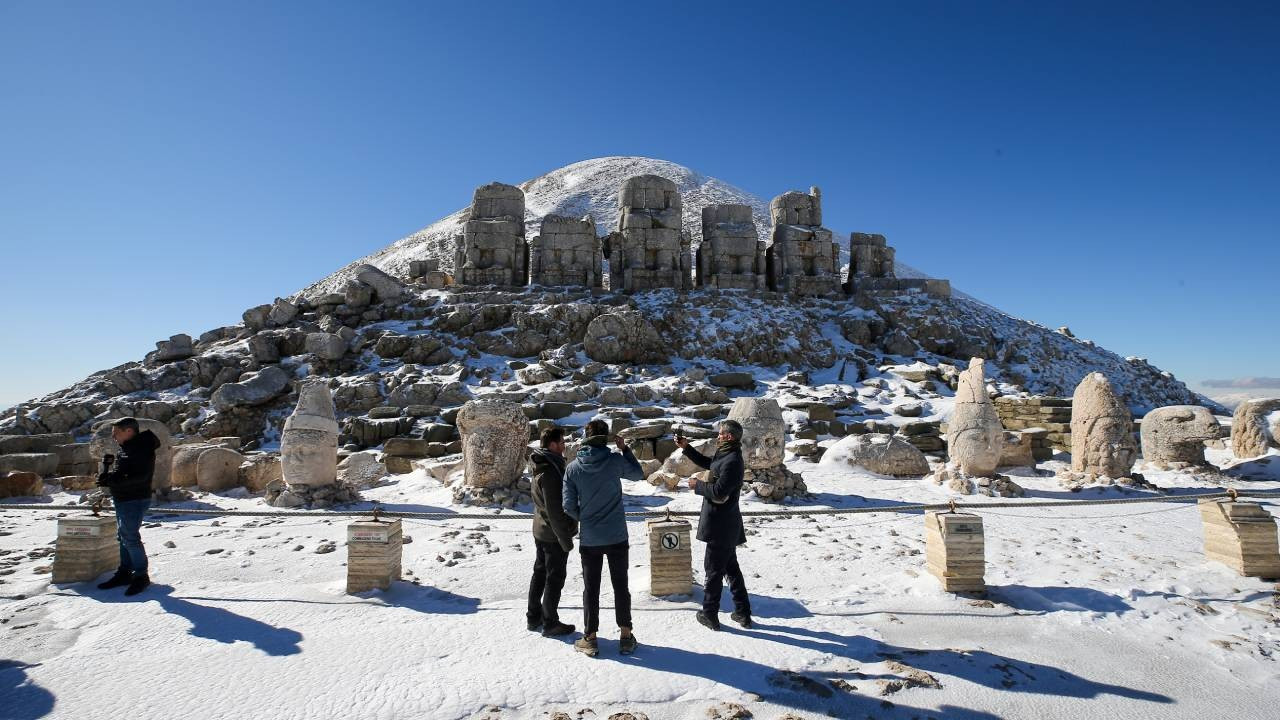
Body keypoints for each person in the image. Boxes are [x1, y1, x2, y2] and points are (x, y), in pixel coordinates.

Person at [562, 419, 644, 657]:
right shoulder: (614, 462)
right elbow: (638, 474)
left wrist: (585, 517)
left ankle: (590, 637)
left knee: (591, 588)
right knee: (621, 585)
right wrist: (625, 450)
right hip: (617, 534)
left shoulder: (573, 468)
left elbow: (568, 505)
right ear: (605, 438)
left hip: (590, 538)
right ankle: (626, 636)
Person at [676, 419, 752, 630]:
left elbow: (719, 491)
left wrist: (697, 485)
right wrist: (686, 448)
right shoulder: (726, 454)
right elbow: (711, 464)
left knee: (713, 570)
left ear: (728, 436)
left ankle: (709, 613)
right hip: (726, 524)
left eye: (720, 434)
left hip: (721, 524)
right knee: (731, 569)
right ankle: (742, 612)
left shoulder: (733, 460)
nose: (717, 436)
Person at [95, 417, 161, 596]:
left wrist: (113, 480)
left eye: (116, 433)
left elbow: (140, 476)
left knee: (130, 537)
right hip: (123, 497)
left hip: (134, 498)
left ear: (129, 431)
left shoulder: (142, 448)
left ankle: (141, 576)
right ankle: (125, 572)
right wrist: (108, 478)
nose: (114, 437)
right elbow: (124, 471)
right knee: (122, 536)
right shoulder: (128, 448)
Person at [528, 426, 577, 637]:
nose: (565, 446)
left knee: (540, 573)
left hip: (541, 530)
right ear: (553, 444)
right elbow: (555, 511)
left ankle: (533, 617)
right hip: (552, 534)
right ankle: (550, 622)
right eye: (562, 443)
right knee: (554, 578)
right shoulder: (550, 471)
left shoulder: (543, 464)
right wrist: (565, 539)